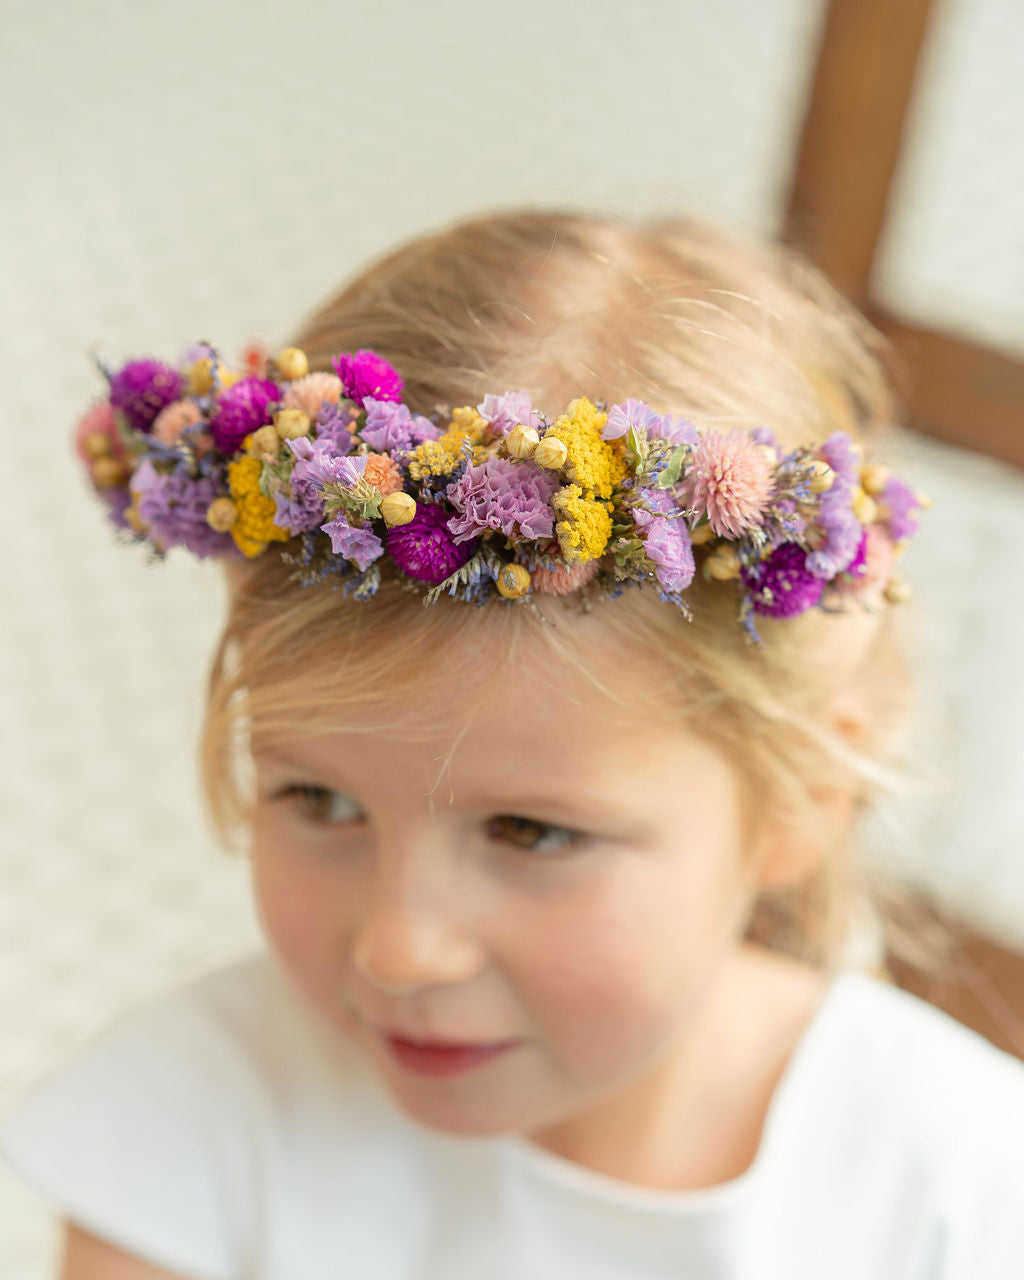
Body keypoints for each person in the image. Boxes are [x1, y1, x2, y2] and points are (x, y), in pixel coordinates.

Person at [3, 209, 1024, 1280]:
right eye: (322, 800)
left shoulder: (961, 1184)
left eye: (529, 831)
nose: (401, 949)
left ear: (801, 797)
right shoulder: (182, 1137)